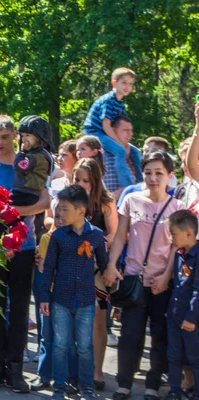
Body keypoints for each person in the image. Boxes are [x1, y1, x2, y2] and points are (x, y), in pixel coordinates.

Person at [0, 114, 50, 393]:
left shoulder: (26, 165)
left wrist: (14, 213)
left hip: (24, 247)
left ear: (14, 137)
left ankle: (16, 369)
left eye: (5, 137)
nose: (0, 143)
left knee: (19, 311)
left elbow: (44, 201)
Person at [104, 149, 185, 400]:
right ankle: (124, 383)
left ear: (170, 175)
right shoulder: (131, 199)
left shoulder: (178, 207)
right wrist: (111, 264)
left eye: (159, 173)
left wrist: (166, 276)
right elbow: (120, 236)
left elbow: (176, 247)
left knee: (160, 334)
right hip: (134, 278)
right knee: (130, 332)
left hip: (162, 281)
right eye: (148, 172)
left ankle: (152, 384)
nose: (153, 178)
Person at [40, 185, 108, 400]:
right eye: (58, 209)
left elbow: (104, 263)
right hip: (60, 298)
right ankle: (59, 387)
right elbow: (48, 268)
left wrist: (112, 274)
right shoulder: (58, 236)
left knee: (85, 346)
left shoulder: (96, 236)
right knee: (61, 345)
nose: (59, 214)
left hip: (87, 300)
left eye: (65, 209)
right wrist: (44, 297)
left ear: (81, 211)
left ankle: (86, 387)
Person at [72, 158, 118, 390]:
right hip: (69, 268)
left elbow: (116, 234)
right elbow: (53, 224)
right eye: (76, 179)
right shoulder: (67, 199)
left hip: (96, 269)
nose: (80, 184)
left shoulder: (105, 203)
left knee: (97, 323)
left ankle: (97, 372)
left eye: (86, 181)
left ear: (96, 181)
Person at [31, 209, 79, 393]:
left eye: (64, 215)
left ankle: (72, 378)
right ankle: (44, 375)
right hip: (50, 295)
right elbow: (43, 270)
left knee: (68, 339)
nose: (60, 220)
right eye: (56, 216)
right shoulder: (46, 239)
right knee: (47, 336)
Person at [83, 67, 141, 189]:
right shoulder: (108, 100)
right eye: (124, 82)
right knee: (119, 150)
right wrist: (120, 144)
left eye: (130, 84)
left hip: (105, 133)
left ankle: (140, 183)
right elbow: (106, 125)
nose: (127, 87)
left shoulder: (120, 104)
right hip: (95, 133)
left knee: (136, 152)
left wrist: (126, 144)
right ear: (114, 83)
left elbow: (119, 124)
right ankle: (127, 186)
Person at [165, 210, 199, 400]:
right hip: (175, 315)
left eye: (174, 234)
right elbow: (178, 283)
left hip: (191, 319)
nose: (171, 238)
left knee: (195, 358)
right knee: (174, 356)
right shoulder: (180, 254)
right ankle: (174, 390)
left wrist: (192, 317)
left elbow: (197, 290)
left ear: (188, 233)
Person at [11, 115, 55, 206]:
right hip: (24, 192)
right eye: (22, 136)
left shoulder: (38, 157)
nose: (24, 139)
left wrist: (22, 152)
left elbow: (19, 166)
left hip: (28, 194)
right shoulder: (33, 154)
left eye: (28, 135)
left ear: (39, 137)